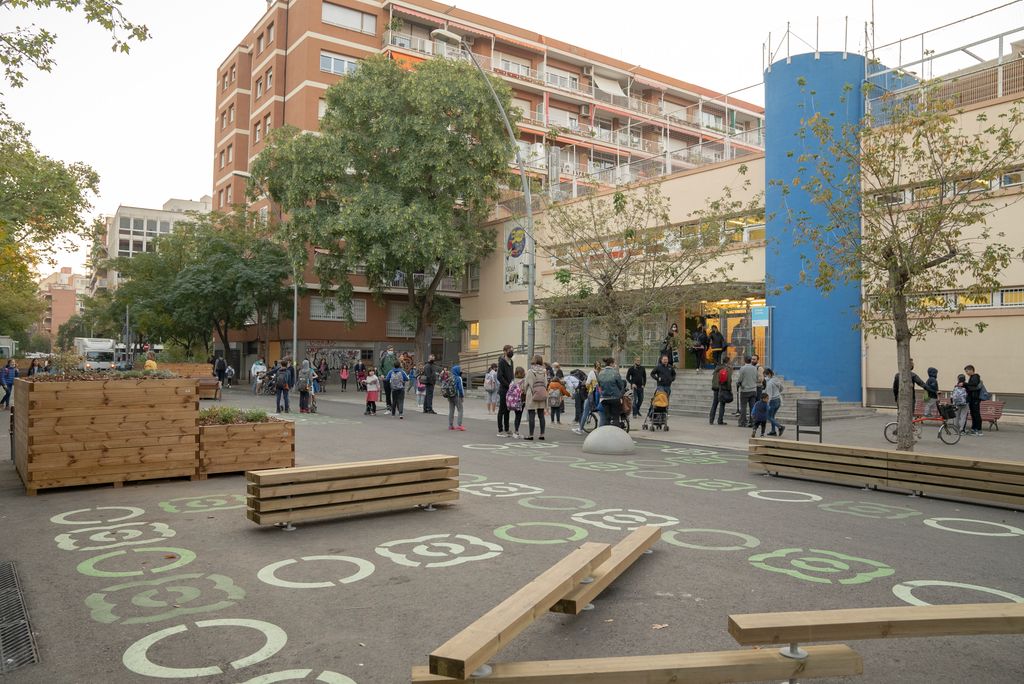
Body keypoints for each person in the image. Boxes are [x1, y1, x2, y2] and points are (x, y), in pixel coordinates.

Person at [524, 355, 548, 440]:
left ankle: (531, 435)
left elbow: (526, 384)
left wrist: (524, 391)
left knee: (531, 414)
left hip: (532, 394)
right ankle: (542, 434)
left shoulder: (530, 371)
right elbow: (546, 383)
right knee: (541, 415)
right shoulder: (544, 371)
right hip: (541, 393)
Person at [597, 357, 626, 428]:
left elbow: (599, 385)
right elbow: (621, 385)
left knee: (607, 418)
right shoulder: (615, 373)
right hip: (615, 398)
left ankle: (607, 433)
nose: (615, 365)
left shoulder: (600, 373)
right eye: (614, 363)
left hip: (604, 398)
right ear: (611, 364)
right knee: (616, 417)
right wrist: (621, 394)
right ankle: (615, 433)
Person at [497, 345, 515, 437]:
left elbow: (511, 375)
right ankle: (500, 429)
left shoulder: (511, 361)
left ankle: (507, 428)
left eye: (512, 350)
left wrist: (513, 384)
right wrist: (508, 385)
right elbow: (499, 376)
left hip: (510, 389)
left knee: (508, 409)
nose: (511, 351)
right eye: (509, 350)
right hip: (504, 389)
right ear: (504, 351)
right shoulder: (501, 362)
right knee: (502, 409)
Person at [736, 356, 758, 428]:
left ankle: (743, 422)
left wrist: (738, 383)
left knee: (743, 407)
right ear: (750, 361)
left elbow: (740, 379)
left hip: (745, 390)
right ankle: (752, 422)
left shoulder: (743, 368)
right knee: (752, 407)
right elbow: (757, 378)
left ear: (745, 360)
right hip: (753, 389)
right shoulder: (755, 368)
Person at [709, 357, 733, 425]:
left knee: (714, 403)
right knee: (722, 404)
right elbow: (728, 380)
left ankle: (711, 420)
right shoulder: (727, 369)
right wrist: (729, 389)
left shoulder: (717, 368)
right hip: (723, 388)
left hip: (716, 388)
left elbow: (714, 379)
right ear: (728, 361)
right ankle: (720, 420)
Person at [964, 364, 986, 436]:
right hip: (972, 398)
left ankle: (979, 430)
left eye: (967, 371)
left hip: (975, 399)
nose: (966, 373)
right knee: (973, 414)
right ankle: (974, 429)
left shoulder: (976, 376)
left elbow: (974, 384)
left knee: (976, 414)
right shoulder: (971, 377)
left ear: (971, 370)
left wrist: (965, 384)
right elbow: (971, 387)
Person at [764, 368, 786, 437]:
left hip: (773, 401)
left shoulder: (770, 383)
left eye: (766, 375)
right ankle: (773, 431)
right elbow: (782, 388)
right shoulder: (776, 379)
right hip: (778, 400)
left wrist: (767, 404)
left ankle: (780, 427)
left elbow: (769, 395)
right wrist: (777, 393)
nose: (765, 377)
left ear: (769, 374)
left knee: (768, 416)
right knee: (772, 416)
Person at [508, 367, 527, 438]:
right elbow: (525, 390)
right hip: (521, 400)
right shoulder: (523, 381)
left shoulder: (513, 381)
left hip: (513, 401)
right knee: (519, 416)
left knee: (516, 415)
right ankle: (516, 431)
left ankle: (516, 431)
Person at [379, 346, 398, 413]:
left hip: (394, 378)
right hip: (386, 378)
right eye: (390, 350)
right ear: (387, 350)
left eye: (392, 350)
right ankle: (388, 408)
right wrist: (380, 374)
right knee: (387, 393)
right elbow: (379, 367)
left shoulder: (395, 357)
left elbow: (398, 366)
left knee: (395, 393)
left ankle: (394, 407)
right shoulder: (383, 357)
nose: (391, 351)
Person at [447, 364, 466, 431]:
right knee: (460, 410)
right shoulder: (458, 378)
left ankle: (450, 425)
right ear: (457, 370)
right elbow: (460, 388)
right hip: (457, 396)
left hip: (450, 396)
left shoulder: (450, 377)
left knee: (451, 411)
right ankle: (459, 425)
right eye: (459, 369)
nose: (461, 371)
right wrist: (462, 396)